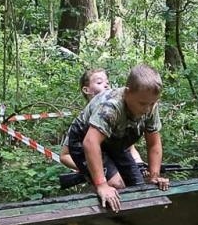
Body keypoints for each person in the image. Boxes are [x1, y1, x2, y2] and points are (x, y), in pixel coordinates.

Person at [62, 64, 168, 213]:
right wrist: (101, 184)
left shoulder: (150, 107)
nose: (147, 109)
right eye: (142, 103)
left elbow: (154, 143)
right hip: (84, 140)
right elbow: (90, 143)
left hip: (115, 142)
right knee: (116, 186)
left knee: (139, 187)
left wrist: (154, 175)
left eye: (152, 103)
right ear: (128, 92)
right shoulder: (111, 107)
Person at [58, 67, 143, 186]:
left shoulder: (117, 114)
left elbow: (129, 148)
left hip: (117, 163)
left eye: (107, 83)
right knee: (117, 185)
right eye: (99, 82)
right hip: (102, 173)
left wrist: (140, 165)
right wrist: (89, 166)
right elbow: (65, 156)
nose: (106, 86)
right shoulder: (82, 122)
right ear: (86, 89)